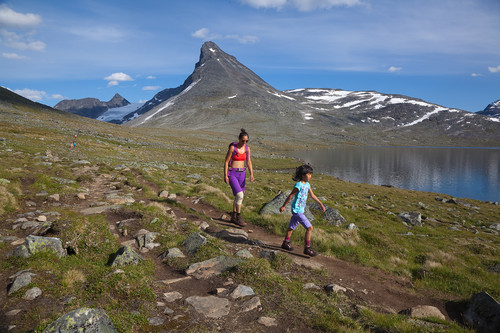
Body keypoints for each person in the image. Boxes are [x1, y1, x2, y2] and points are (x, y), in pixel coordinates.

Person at [279, 164, 325, 257]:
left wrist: (320, 203)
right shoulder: (298, 185)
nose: (310, 176)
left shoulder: (307, 185)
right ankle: (307, 248)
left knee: (291, 226)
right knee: (309, 228)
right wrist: (283, 206)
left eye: (311, 174)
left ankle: (285, 243)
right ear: (302, 175)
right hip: (296, 210)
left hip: (300, 210)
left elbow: (312, 195)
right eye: (309, 174)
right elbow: (291, 195)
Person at [224, 128, 255, 226]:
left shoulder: (247, 148)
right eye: (243, 140)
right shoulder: (233, 148)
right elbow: (226, 161)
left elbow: (248, 162)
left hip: (242, 174)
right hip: (232, 173)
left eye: (246, 141)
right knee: (240, 195)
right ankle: (238, 216)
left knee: (239, 196)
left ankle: (233, 216)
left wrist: (251, 174)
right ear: (239, 139)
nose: (244, 142)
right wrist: (225, 175)